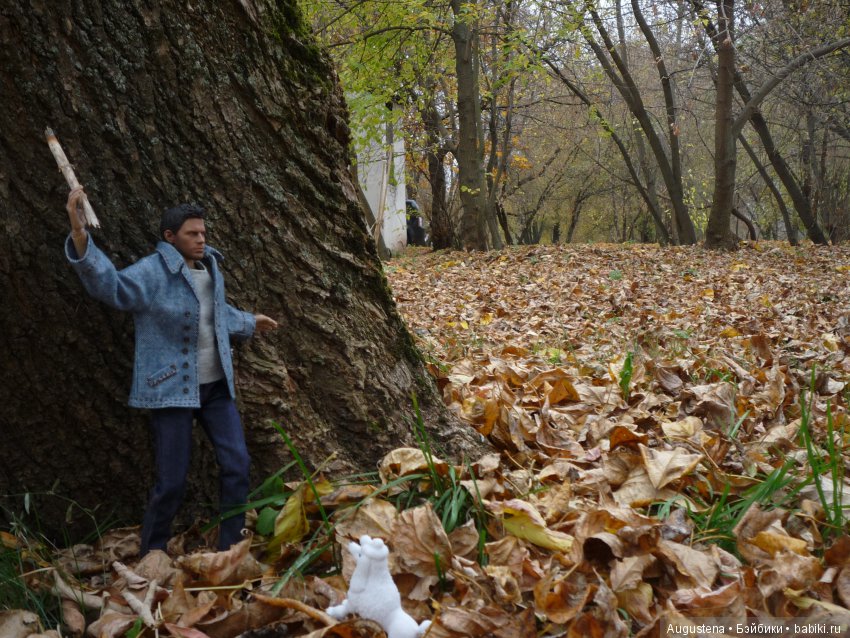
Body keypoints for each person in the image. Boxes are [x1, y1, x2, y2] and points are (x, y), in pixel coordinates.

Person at [64, 187, 278, 555]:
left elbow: (213, 313)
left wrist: (247, 321)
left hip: (215, 387)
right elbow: (113, 288)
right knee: (172, 480)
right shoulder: (153, 271)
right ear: (169, 237)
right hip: (172, 390)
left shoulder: (210, 266)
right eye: (192, 234)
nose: (200, 239)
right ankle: (154, 550)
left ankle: (231, 547)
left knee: (237, 465)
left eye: (203, 233)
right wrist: (81, 236)